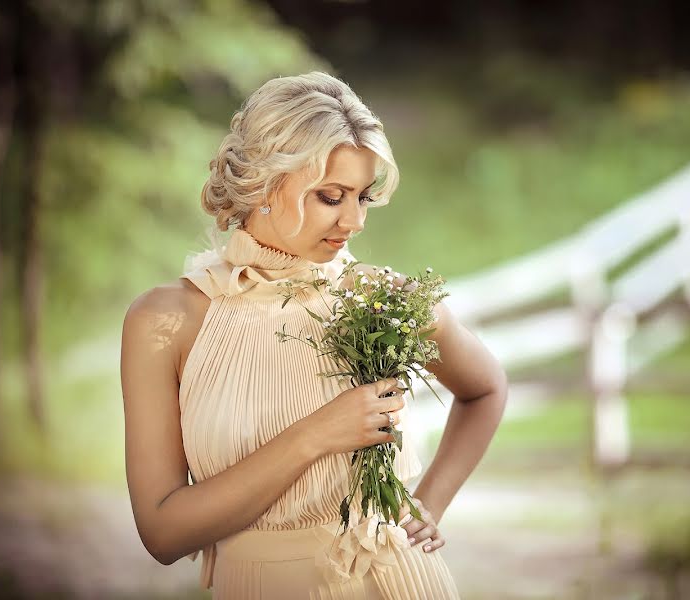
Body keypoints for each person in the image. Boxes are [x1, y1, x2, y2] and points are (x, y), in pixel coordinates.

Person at [120, 71, 508, 599]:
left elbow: (485, 388)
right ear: (262, 181)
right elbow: (163, 534)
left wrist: (428, 504)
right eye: (331, 196)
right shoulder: (165, 321)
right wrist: (318, 434)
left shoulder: (383, 300)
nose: (354, 221)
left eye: (363, 197)